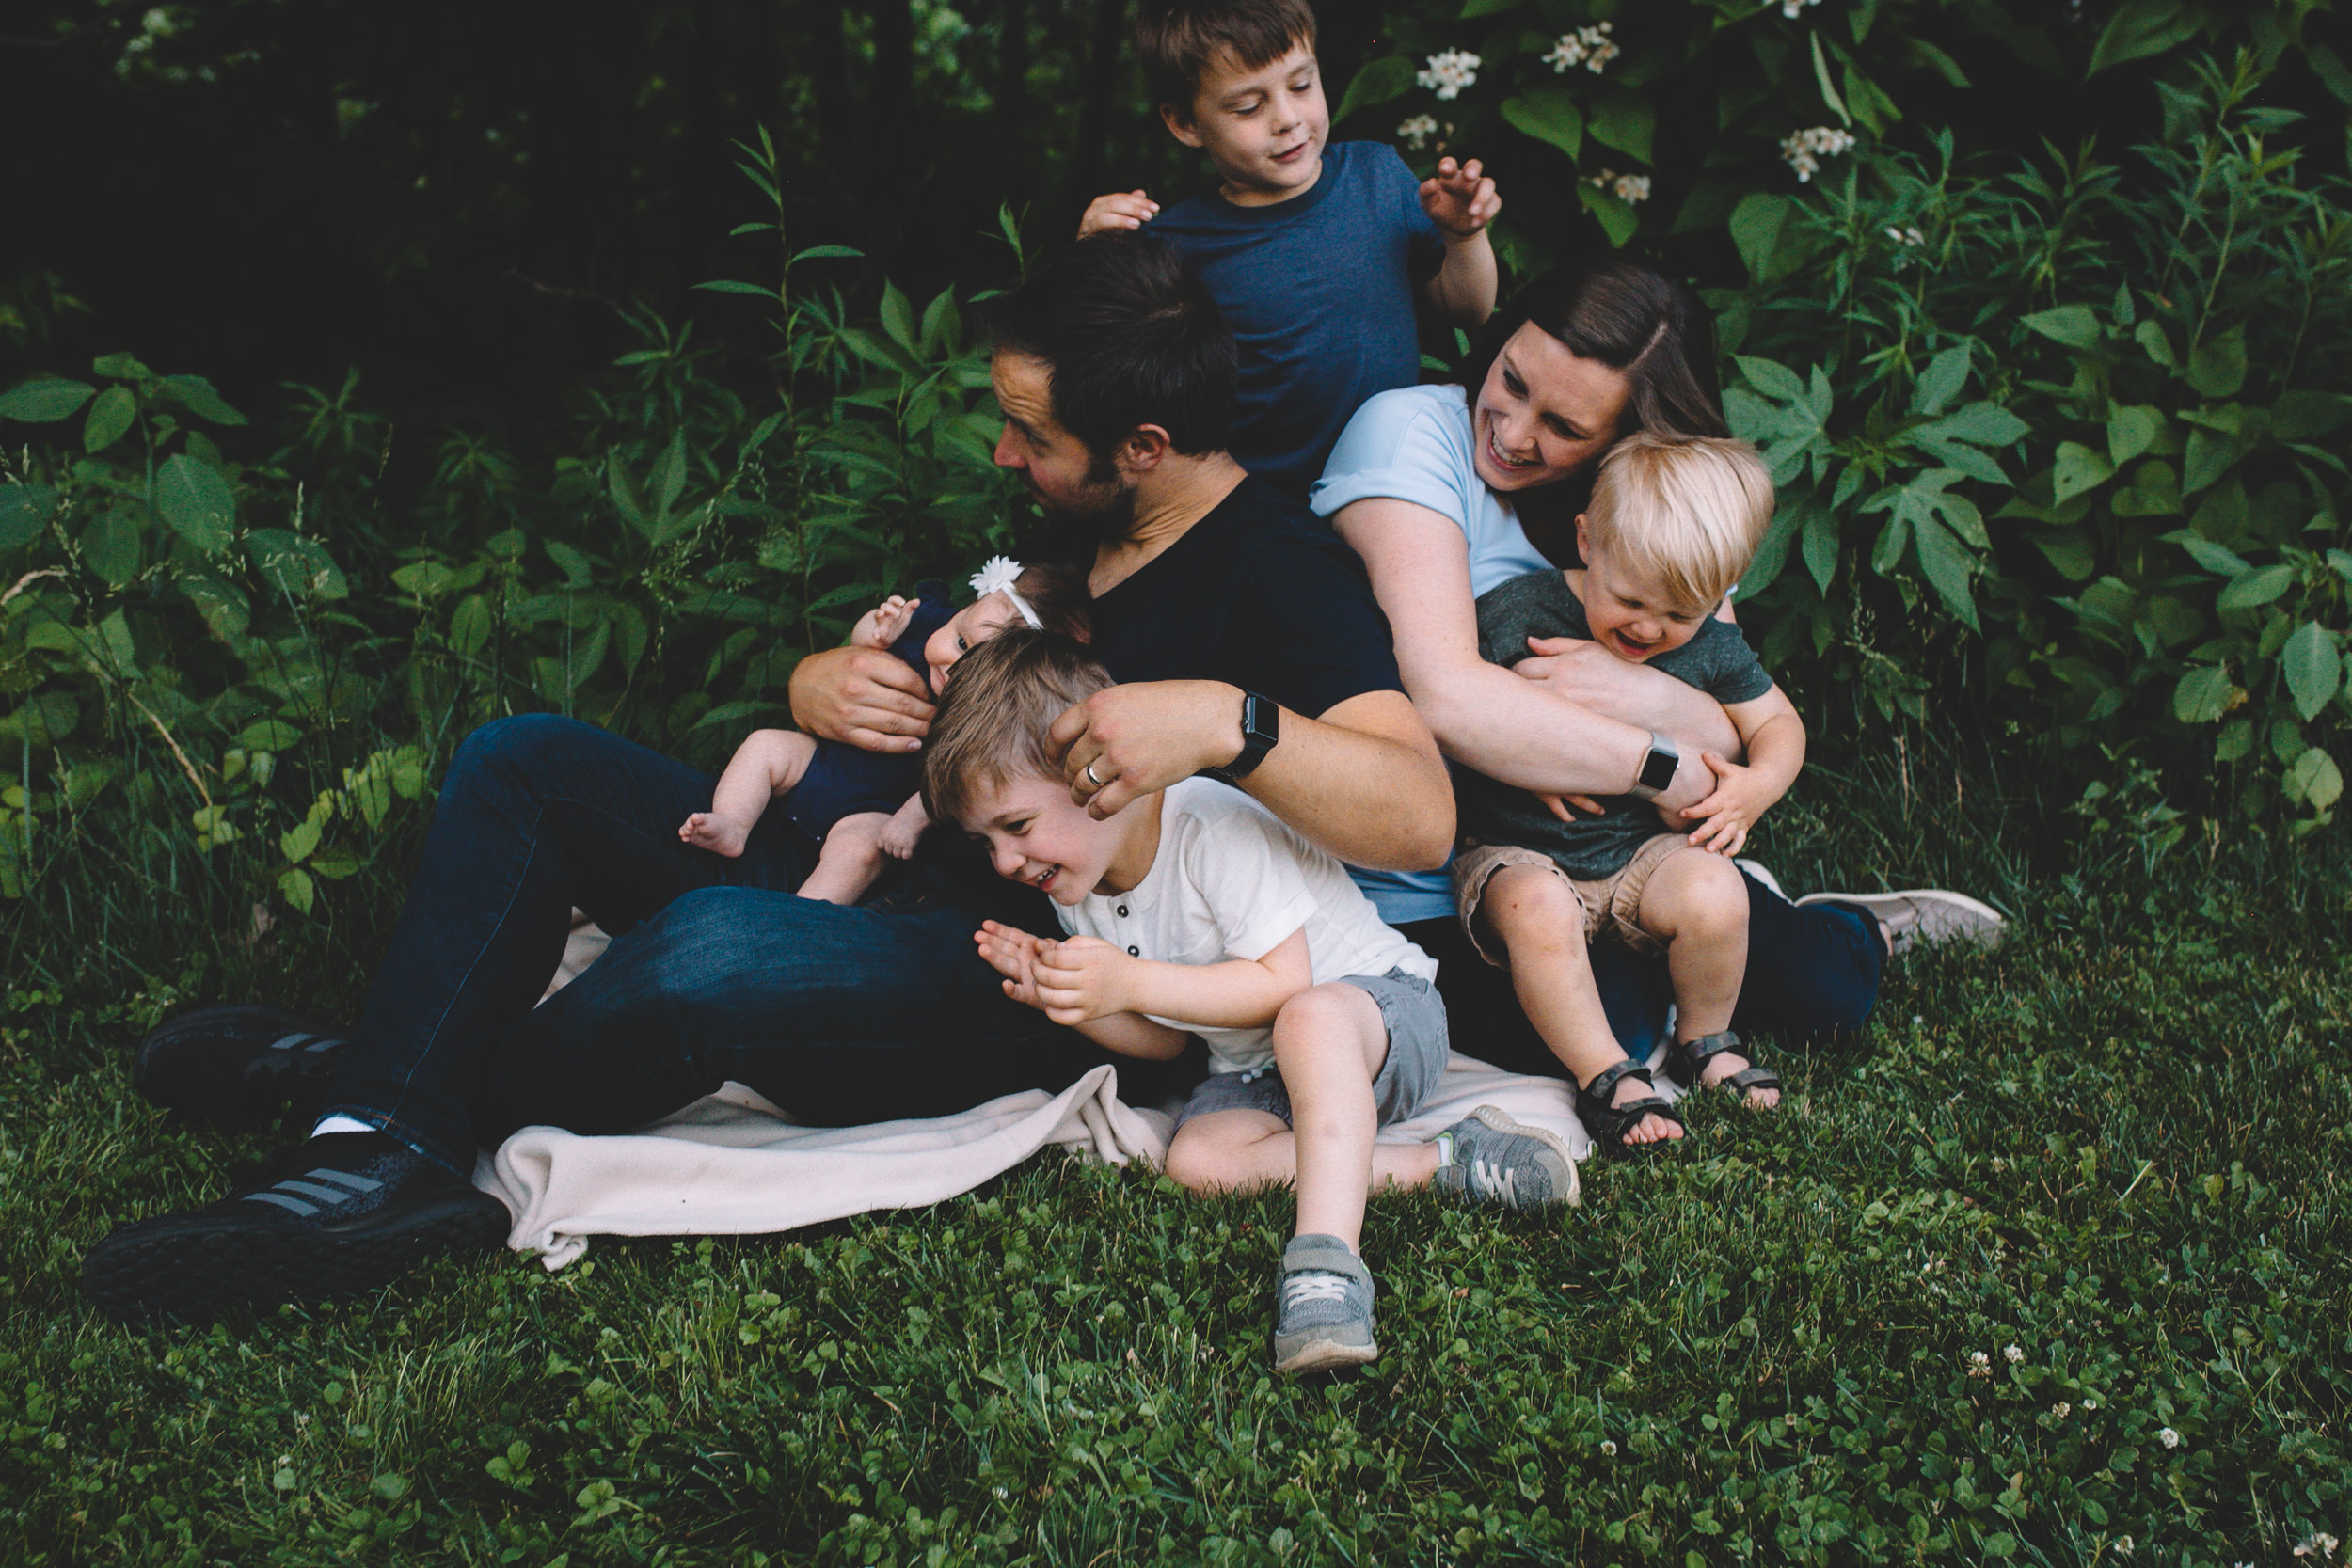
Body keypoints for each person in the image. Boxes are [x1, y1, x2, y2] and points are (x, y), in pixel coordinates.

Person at [85, 230, 1454, 1323]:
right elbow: (914, 667)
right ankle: (381, 1107)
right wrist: (820, 681)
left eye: (1031, 433)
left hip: (1015, 966)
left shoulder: (1276, 576)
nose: (1003, 453)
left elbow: (1419, 809)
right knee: (526, 762)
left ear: (1141, 451)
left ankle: (377, 1097)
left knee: (712, 954)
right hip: (859, 856)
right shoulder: (1074, 538)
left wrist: (1229, 720)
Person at [1310, 256, 2005, 1145]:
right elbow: (1445, 694)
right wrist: (1652, 760)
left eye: (1563, 424)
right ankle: (1723, 937)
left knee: (1827, 993)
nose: (1513, 431)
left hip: (1632, 853)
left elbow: (1730, 716)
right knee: (1630, 1024)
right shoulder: (1411, 435)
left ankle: (1847, 926)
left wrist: (1628, 689)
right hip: (1460, 873)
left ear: (1628, 439)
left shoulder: (1664, 516)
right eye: (1512, 381)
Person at [926, 630, 1574, 1374]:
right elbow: (1171, 1041)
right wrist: (1079, 997)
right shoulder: (1080, 885)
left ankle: (1327, 1266)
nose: (1007, 861)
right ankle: (1450, 1161)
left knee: (1309, 1018)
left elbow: (1282, 983)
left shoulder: (1208, 825)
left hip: (1379, 1020)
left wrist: (1126, 980)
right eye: (987, 844)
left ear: (1096, 776)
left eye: (1016, 826)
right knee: (1197, 1159)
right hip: (1258, 1069)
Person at [1457, 434, 1806, 1155]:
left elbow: (1777, 722)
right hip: (1518, 851)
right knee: (1537, 908)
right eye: (1630, 600)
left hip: (1640, 853)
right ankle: (1607, 1074)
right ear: (1589, 542)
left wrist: (1758, 785)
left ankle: (1703, 1039)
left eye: (1678, 613)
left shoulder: (1706, 641)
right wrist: (1528, 762)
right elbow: (1457, 715)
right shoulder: (1517, 613)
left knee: (1716, 888)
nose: (1649, 627)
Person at [1074, 0, 1500, 498]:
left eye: (1301, 85)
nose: (1287, 118)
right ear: (1185, 124)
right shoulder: (1174, 244)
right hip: (1260, 505)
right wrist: (1091, 260)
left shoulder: (1377, 176)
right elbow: (1103, 375)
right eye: (1249, 107)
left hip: (1393, 479)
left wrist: (1464, 237)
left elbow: (1468, 310)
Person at [677, 558, 1088, 904]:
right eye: (961, 640)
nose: (950, 664)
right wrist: (879, 628)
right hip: (820, 760)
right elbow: (862, 647)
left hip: (872, 808)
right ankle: (732, 823)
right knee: (764, 745)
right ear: (962, 612)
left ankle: (802, 915)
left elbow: (954, 781)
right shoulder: (926, 623)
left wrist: (911, 818)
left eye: (973, 666)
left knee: (861, 852)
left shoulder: (988, 721)